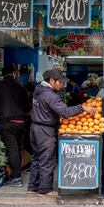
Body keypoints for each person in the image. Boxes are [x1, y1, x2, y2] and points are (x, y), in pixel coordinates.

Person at [28, 69, 96, 197]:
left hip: (35, 127)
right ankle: (45, 190)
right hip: (45, 130)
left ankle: (33, 187)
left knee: (37, 158)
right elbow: (65, 112)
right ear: (52, 81)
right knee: (47, 160)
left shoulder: (38, 90)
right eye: (60, 82)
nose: (62, 85)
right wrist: (82, 107)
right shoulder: (50, 95)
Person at [0, 64, 29, 187]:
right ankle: (17, 171)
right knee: (18, 148)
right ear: (14, 73)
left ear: (2, 74)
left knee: (12, 149)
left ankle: (16, 177)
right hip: (21, 122)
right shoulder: (21, 87)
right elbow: (27, 106)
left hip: (7, 122)